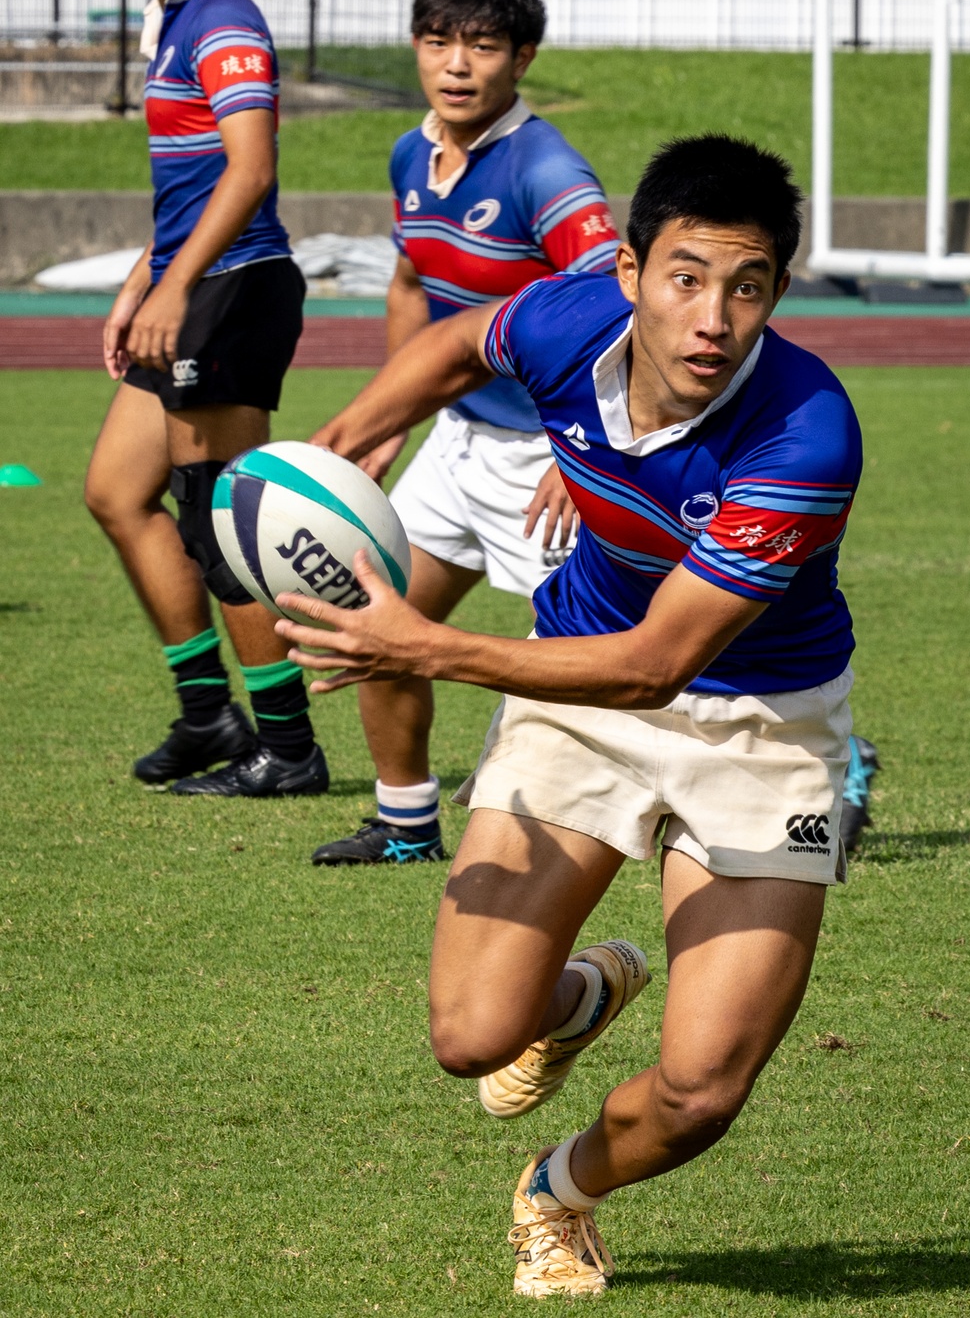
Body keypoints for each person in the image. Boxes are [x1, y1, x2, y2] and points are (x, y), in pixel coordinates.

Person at [275, 135, 865, 1297]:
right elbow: (456, 342)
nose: (712, 318)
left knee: (702, 1090)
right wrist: (344, 444)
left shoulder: (808, 433)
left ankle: (560, 1189)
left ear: (776, 294)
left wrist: (429, 647)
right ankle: (583, 992)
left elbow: (656, 665)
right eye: (686, 277)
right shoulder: (563, 320)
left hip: (761, 726)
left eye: (746, 287)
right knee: (470, 1037)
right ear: (632, 270)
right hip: (573, 692)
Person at [308, 0, 619, 865]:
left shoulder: (547, 170)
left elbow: (616, 309)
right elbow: (412, 279)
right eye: (439, 41)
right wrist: (399, 414)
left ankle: (827, 753)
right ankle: (405, 824)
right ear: (415, 46)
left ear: (522, 56)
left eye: (482, 45)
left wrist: (582, 452)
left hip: (546, 460)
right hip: (456, 442)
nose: (456, 63)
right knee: (377, 609)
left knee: (594, 660)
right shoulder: (414, 152)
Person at [84, 0, 327, 798]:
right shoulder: (176, 16)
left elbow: (251, 168)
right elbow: (189, 185)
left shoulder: (222, 18)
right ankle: (207, 713)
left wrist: (177, 286)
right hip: (195, 281)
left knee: (215, 523)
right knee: (114, 491)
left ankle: (288, 743)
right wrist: (142, 277)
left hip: (233, 290)